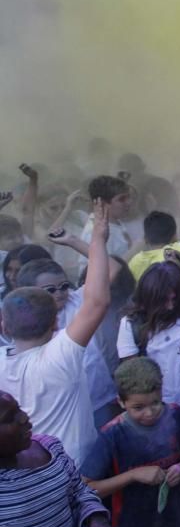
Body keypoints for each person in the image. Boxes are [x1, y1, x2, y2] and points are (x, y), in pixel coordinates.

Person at [0, 200, 111, 466]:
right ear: (55, 325)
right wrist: (97, 239)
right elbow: (98, 302)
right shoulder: (59, 356)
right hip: (76, 467)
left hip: (28, 466)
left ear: (4, 327)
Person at [81, 357, 180, 527]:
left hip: (177, 526)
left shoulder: (176, 415)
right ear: (120, 402)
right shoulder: (112, 435)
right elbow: (87, 487)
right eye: (138, 407)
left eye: (155, 403)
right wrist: (132, 476)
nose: (149, 413)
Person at [0, 392, 121, 527]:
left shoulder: (49, 447)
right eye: (9, 418)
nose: (24, 418)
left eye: (18, 409)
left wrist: (96, 520)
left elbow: (79, 491)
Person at [117, 260, 180, 419]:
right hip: (157, 413)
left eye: (174, 299)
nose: (170, 306)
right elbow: (132, 375)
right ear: (148, 297)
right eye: (163, 300)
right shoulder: (131, 324)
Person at [81, 176, 134, 259]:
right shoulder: (94, 234)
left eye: (128, 197)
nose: (129, 202)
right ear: (102, 203)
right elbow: (104, 270)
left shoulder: (114, 222)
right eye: (122, 199)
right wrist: (136, 250)